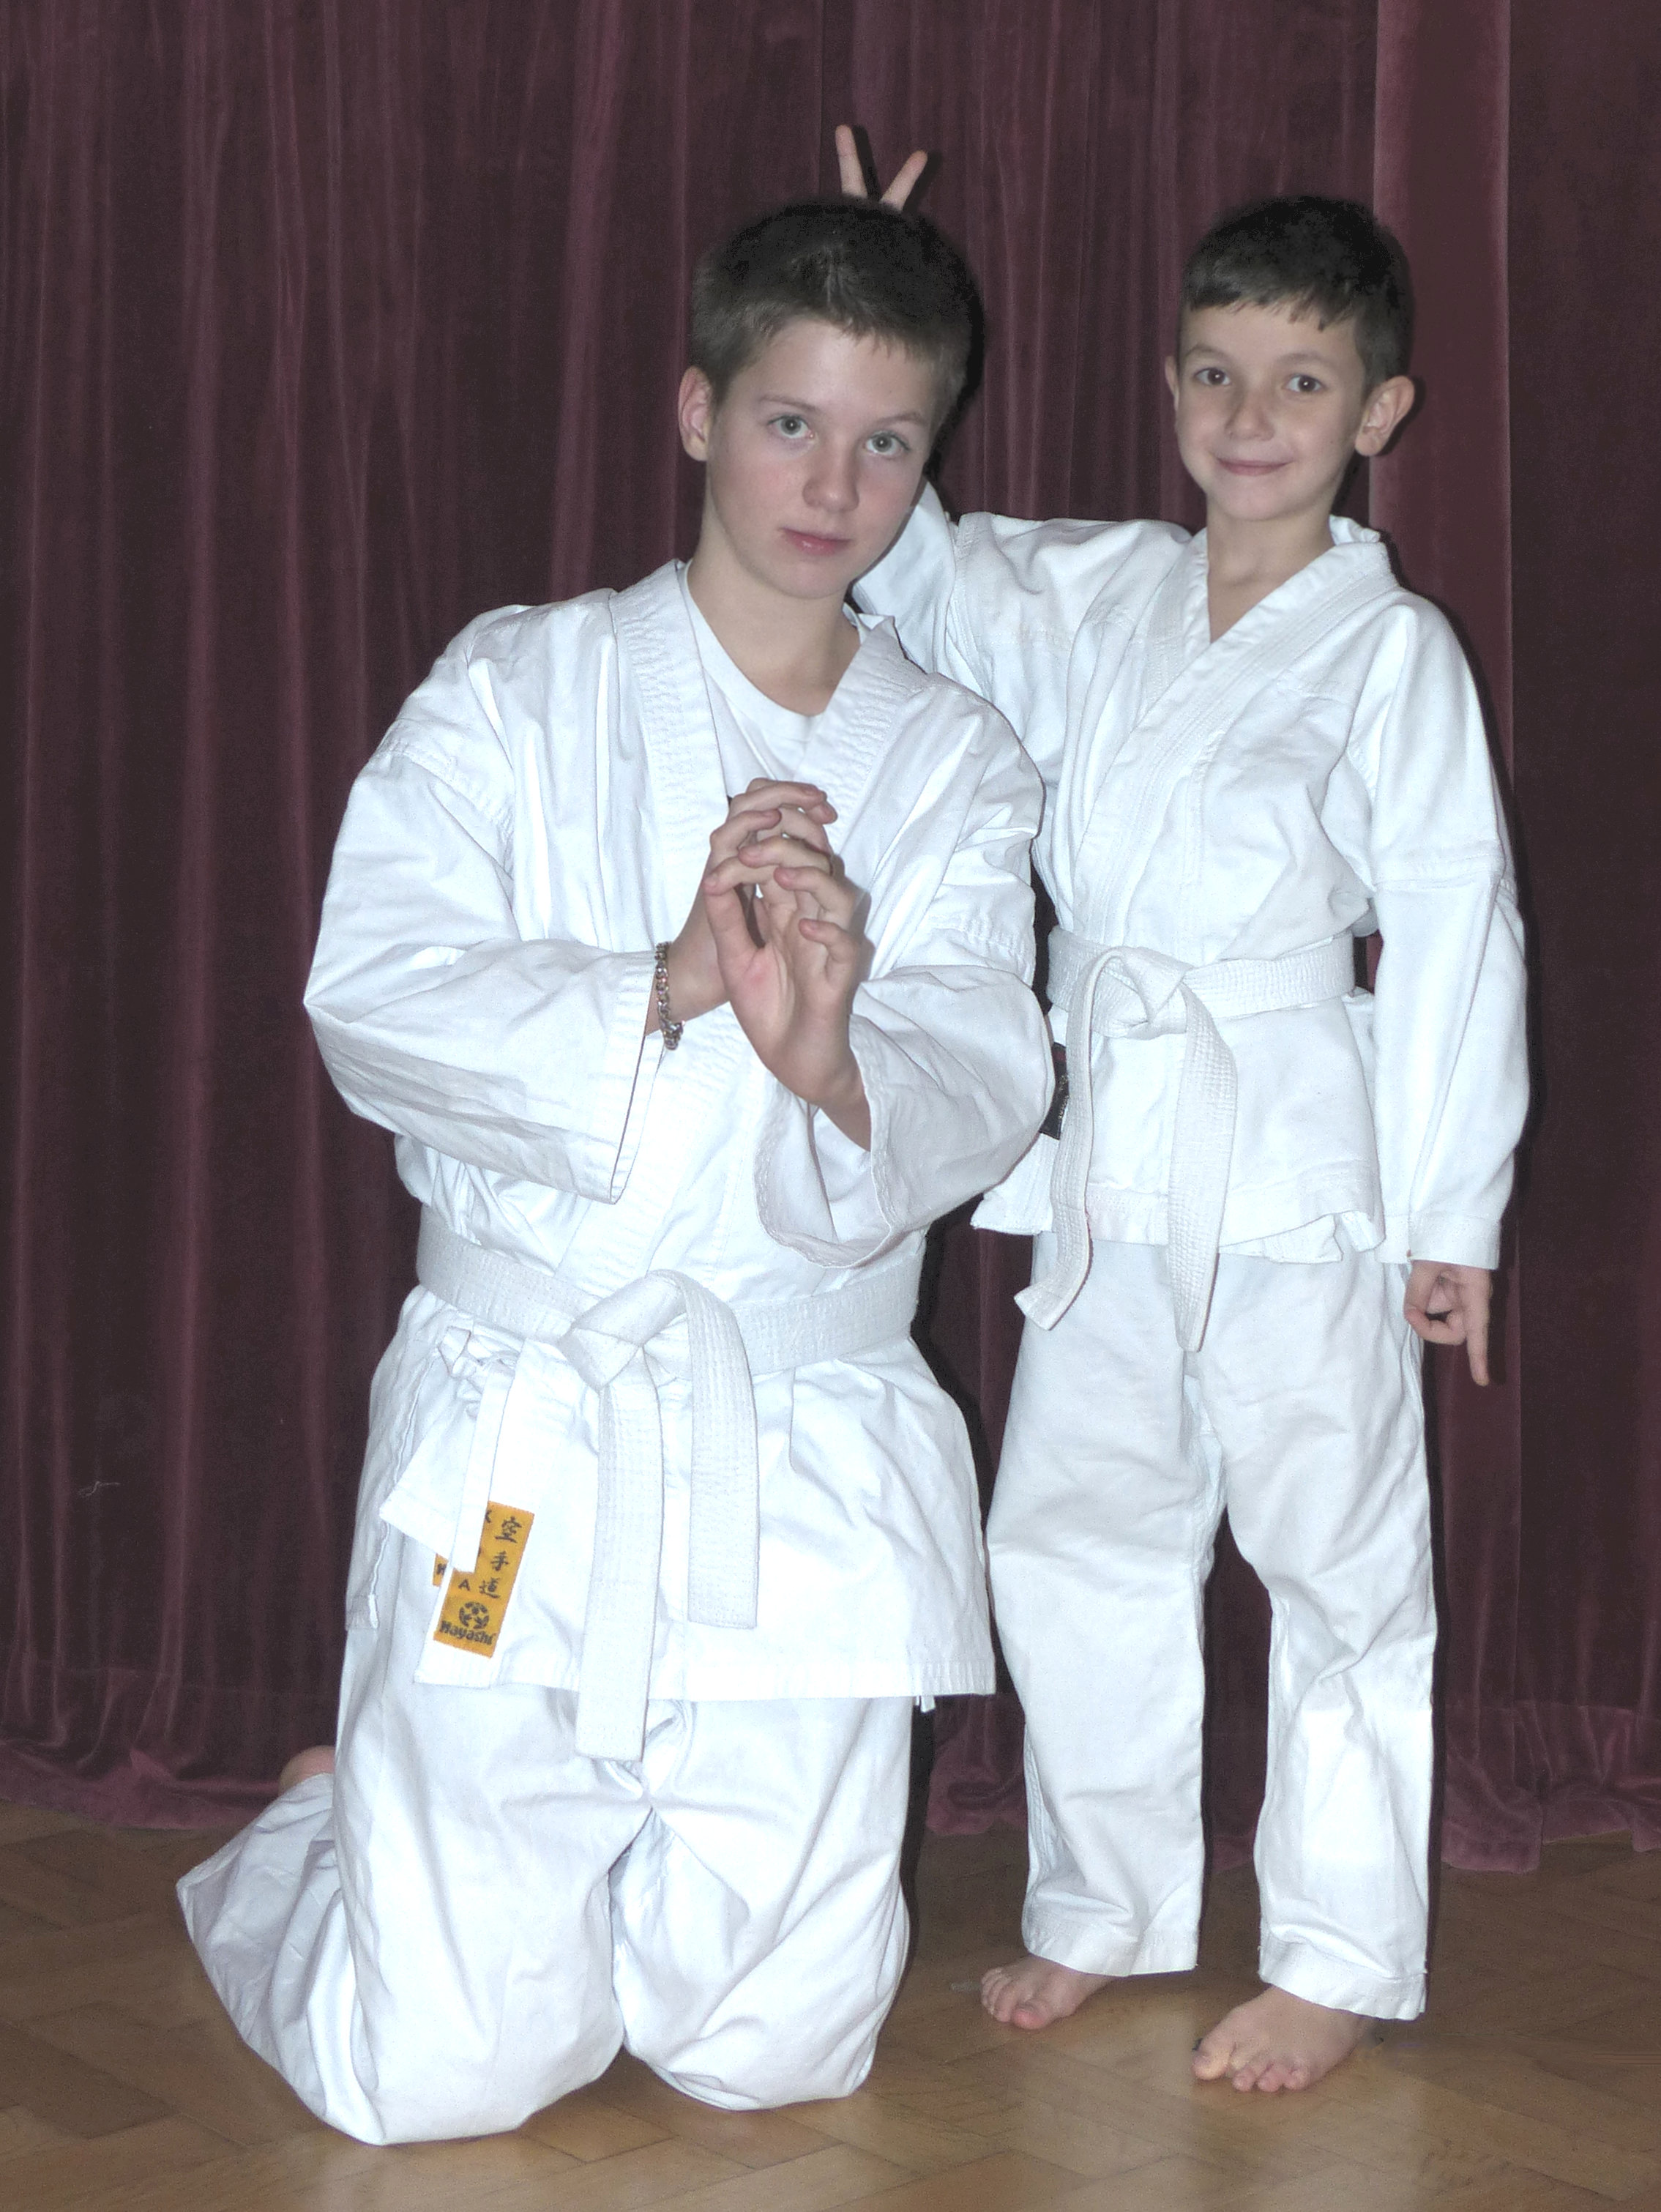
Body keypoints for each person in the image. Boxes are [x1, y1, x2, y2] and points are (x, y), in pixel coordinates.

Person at [176, 192, 1053, 2146]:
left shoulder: (957, 761)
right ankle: (327, 1834)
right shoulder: (518, 688)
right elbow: (373, 992)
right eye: (790, 423)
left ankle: (526, 1863)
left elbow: (993, 1067)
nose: (833, 487)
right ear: (696, 409)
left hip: (795, 1439)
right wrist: (665, 984)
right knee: (440, 2075)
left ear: (930, 458)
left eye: (887, 441)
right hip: (527, 1431)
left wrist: (833, 1061)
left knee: (771, 2054)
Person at [847, 146, 1529, 2094]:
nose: (1251, 416)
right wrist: (883, 284)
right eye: (1217, 373)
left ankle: (1339, 1953)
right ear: (1170, 388)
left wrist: (1452, 1215)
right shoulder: (1100, 592)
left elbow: (1458, 922)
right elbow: (920, 568)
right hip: (1117, 1149)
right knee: (1075, 1533)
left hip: (1305, 1158)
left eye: (1302, 380)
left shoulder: (1389, 650)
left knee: (1337, 1563)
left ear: (1379, 412)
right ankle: (1107, 1901)